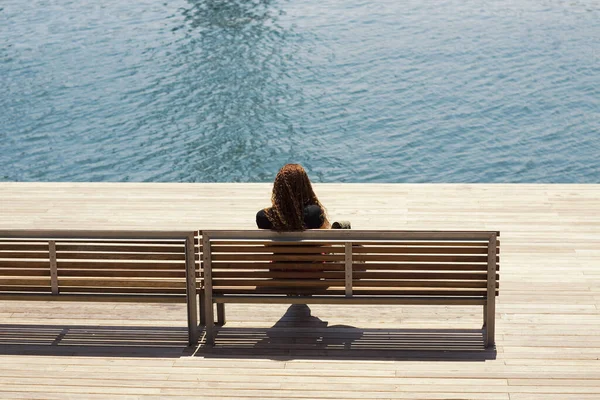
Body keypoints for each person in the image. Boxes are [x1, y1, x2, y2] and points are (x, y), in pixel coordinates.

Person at [256, 163, 330, 230]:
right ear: (305, 186)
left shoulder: (264, 217)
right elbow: (326, 242)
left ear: (278, 188)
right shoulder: (314, 214)